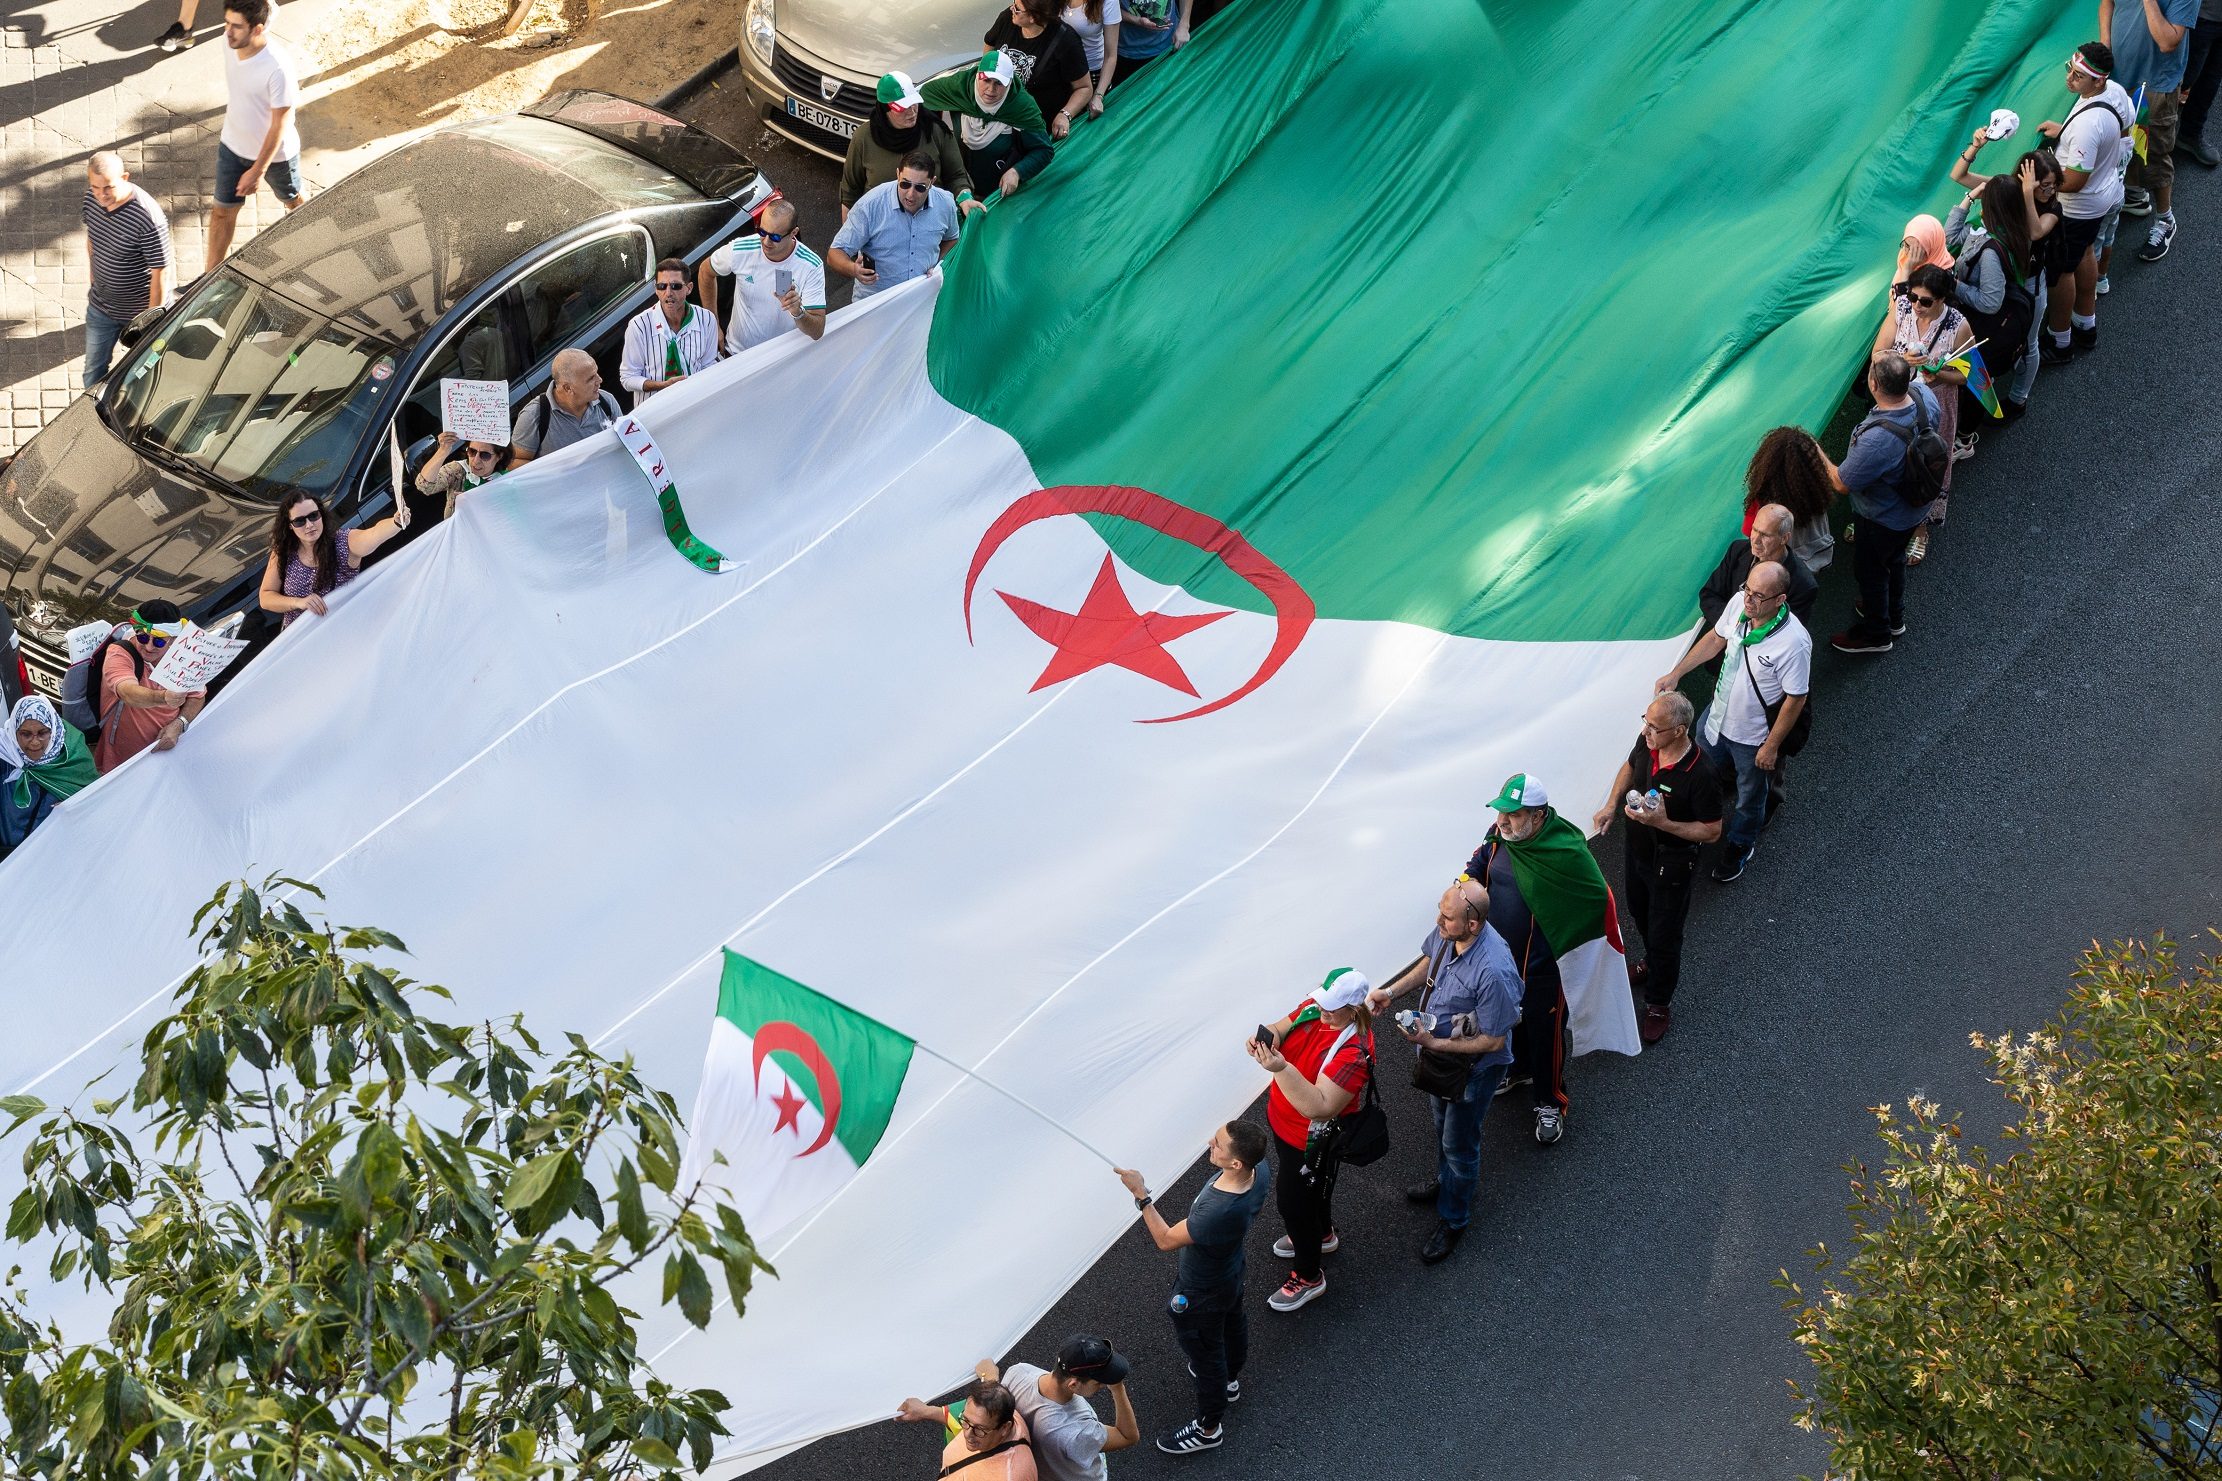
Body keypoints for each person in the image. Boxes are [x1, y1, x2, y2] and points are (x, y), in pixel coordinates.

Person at [1363, 880, 1523, 1262]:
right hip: (1441, 1058)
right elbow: (1429, 963)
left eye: (1447, 917)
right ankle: (1448, 1181)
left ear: (1473, 924)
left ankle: (1454, 1218)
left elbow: (1494, 1042)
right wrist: (1392, 991)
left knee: (1460, 1143)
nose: (1438, 921)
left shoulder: (1494, 971)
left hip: (1471, 1068)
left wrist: (1432, 1044)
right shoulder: (1449, 931)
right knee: (1442, 1127)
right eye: (1440, 910)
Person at [1112, 1121, 1271, 1455]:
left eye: (1219, 1144)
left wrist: (1141, 1196)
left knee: (1206, 1356)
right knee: (1232, 1325)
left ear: (1236, 1163)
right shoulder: (1260, 1172)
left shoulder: (1217, 1212)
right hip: (1229, 1273)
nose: (1210, 1142)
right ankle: (1230, 1380)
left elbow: (1166, 1239)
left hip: (1202, 1290)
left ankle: (1208, 1427)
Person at [1651, 564, 1808, 883]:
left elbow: (1795, 700)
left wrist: (1771, 746)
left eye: (1758, 596)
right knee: (1700, 777)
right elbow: (1716, 639)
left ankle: (1740, 845)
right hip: (1716, 717)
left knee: (1750, 797)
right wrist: (1677, 672)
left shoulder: (1794, 643)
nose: (1748, 600)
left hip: (1753, 738)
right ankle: (1696, 829)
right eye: (1746, 589)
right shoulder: (1741, 604)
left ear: (1779, 600)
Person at [1590, 693, 1724, 1042]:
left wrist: (1664, 824)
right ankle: (1651, 962)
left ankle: (1658, 1003)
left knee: (1666, 933)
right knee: (1638, 910)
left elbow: (1711, 831)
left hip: (1673, 862)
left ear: (1679, 731)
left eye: (1655, 727)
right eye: (1646, 723)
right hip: (1638, 852)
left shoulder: (1702, 773)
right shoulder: (1648, 743)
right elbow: (1630, 767)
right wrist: (1610, 804)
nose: (1646, 732)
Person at [1247, 967, 1375, 1312]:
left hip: (1313, 1142)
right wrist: (1267, 1038)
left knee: (1292, 1203)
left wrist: (1279, 1068)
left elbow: (1319, 1107)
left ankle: (1308, 1276)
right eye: (1321, 1002)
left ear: (1355, 1009)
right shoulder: (1314, 1008)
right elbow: (1279, 1027)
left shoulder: (1354, 1052)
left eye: (1331, 1009)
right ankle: (1321, 1235)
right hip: (1285, 1127)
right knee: (1313, 1193)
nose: (1321, 1012)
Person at [1460, 777, 1579, 1142]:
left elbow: (1587, 904)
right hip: (1502, 963)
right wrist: (1463, 886)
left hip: (1546, 968)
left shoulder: (1564, 850)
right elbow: (1478, 864)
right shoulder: (1499, 836)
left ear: (1537, 816)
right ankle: (1520, 1070)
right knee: (1512, 1021)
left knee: (1546, 1035)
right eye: (1500, 812)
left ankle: (1550, 1102)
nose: (1502, 820)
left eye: (1512, 814)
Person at [1828, 354, 1942, 656]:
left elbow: (1842, 482)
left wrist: (1818, 454)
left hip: (1882, 518)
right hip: (1913, 509)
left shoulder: (1877, 439)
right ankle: (1894, 616)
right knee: (1893, 561)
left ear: (1874, 383)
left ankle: (1877, 633)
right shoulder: (1925, 397)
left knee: (1871, 570)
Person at [2036, 44, 2132, 363]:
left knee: (2061, 271)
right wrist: (2065, 134)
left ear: (2098, 82)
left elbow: (2076, 181)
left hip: (2076, 208)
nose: (2070, 79)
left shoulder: (2087, 126)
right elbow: (2124, 128)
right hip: (2105, 197)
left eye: (2079, 76)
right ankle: (2085, 324)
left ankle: (2060, 340)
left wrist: (2039, 182)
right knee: (2085, 251)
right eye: (2070, 69)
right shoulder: (2116, 93)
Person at [1947, 147, 2061, 416]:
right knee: (2000, 342)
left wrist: (2028, 194)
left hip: (2029, 289)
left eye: (2054, 185)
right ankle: (1990, 387)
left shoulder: (2050, 207)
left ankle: (2018, 399)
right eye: (2044, 186)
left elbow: (2034, 232)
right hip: (2010, 290)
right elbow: (1959, 175)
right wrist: (1977, 145)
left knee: (2027, 343)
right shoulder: (2007, 192)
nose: (2051, 192)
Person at [1872, 262, 1971, 559]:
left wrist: (1936, 372)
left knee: (1927, 466)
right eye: (1913, 297)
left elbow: (1967, 375)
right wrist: (1902, 359)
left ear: (1942, 299)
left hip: (1936, 405)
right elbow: (1878, 353)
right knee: (1890, 458)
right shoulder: (1901, 308)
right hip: (1897, 400)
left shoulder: (1958, 325)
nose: (1916, 305)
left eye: (1925, 301)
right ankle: (1882, 514)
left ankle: (1920, 527)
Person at [206, 0, 304, 272]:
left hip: (276, 157)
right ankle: (207, 278)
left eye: (236, 26)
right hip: (232, 147)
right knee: (221, 213)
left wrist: (258, 170)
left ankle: (312, 246)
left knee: (294, 203)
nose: (228, 31)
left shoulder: (277, 67)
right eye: (227, 23)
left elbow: (280, 123)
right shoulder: (229, 42)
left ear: (258, 29)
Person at [2109, 0, 2200, 260]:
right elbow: (2108, 4)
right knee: (2124, 140)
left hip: (2154, 86)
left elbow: (2167, 41)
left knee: (2155, 153)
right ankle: (2136, 197)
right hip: (2119, 76)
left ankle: (2165, 220)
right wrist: (2106, 43)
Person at [81, 153, 172, 389]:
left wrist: (150, 322)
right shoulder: (93, 198)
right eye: (95, 187)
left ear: (124, 177)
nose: (101, 194)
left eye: (108, 187)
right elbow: (91, 236)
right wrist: (94, 274)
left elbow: (159, 273)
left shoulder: (148, 218)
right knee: (92, 372)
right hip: (101, 307)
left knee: (139, 377)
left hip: (138, 314)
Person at [993, 1337, 1139, 1481]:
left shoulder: (1018, 1372)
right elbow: (1127, 1436)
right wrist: (1118, 1389)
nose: (1103, 1386)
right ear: (1073, 1384)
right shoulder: (1079, 1432)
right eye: (1099, 1383)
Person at [920, 51, 1056, 204]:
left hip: (999, 192)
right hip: (959, 187)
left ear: (1009, 82)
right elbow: (925, 96)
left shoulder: (1021, 106)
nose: (991, 89)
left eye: (998, 83)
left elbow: (1044, 151)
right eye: (986, 80)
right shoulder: (959, 88)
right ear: (977, 76)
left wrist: (1018, 172)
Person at [839, 72, 975, 220]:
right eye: (903, 107)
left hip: (928, 222)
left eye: (913, 103)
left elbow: (956, 176)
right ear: (885, 109)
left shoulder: (936, 131)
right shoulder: (863, 137)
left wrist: (965, 198)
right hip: (879, 225)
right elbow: (850, 194)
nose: (912, 112)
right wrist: (848, 238)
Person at [701, 201, 827, 355]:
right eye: (762, 232)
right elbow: (705, 270)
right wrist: (712, 325)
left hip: (783, 358)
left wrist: (798, 312)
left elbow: (817, 330)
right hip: (738, 354)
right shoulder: (741, 250)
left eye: (775, 237)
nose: (766, 242)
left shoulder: (811, 266)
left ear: (793, 233)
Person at [258, 493, 403, 627]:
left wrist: (395, 522)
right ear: (290, 525)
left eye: (314, 516)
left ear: (321, 515)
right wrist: (299, 602)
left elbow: (373, 534)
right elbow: (266, 597)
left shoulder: (343, 542)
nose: (309, 525)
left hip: (340, 634)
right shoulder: (283, 550)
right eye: (299, 521)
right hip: (298, 639)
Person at [829, 155, 962, 301]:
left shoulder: (945, 204)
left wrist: (938, 265)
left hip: (922, 299)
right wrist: (853, 269)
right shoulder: (870, 206)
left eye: (920, 187)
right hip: (876, 302)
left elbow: (952, 239)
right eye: (905, 184)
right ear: (898, 174)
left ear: (932, 182)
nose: (910, 194)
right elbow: (835, 253)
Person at [94, 602, 205, 774]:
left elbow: (197, 696)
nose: (148, 646)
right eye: (143, 637)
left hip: (166, 754)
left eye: (159, 641)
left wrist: (179, 724)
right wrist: (163, 697)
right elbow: (128, 692)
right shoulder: (120, 653)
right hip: (120, 758)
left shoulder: (185, 656)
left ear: (174, 640)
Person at [0, 695, 97, 858]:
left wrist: (75, 806)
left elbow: (94, 804)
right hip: (6, 856)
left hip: (50, 858)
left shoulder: (72, 759)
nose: (35, 742)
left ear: (53, 730)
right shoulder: (5, 755)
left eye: (42, 733)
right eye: (26, 734)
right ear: (14, 732)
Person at [1698, 503, 1818, 633]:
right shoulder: (1737, 550)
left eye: (1765, 535)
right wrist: (1732, 627)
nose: (1755, 540)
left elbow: (1785, 632)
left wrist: (1739, 630)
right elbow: (1708, 595)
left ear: (1784, 538)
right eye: (1754, 529)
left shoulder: (1803, 585)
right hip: (1724, 633)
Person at [617, 258, 719, 409]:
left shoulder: (707, 319)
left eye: (676, 286)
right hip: (654, 413)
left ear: (689, 288)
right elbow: (628, 378)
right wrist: (662, 385)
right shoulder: (639, 325)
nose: (668, 293)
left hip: (695, 405)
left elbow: (709, 365)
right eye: (662, 286)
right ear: (656, 289)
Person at [895, 1376, 1038, 1481]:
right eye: (965, 1420)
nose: (967, 1434)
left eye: (979, 1429)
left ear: (1005, 1428)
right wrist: (925, 1411)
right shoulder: (1001, 1412)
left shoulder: (1011, 1475)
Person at [987, 0, 1093, 140]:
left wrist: (1065, 115)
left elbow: (1085, 88)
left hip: (1038, 129)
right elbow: (989, 46)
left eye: (1017, 8)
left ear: (1034, 17)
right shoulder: (1007, 18)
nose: (1012, 8)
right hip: (1002, 118)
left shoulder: (1066, 40)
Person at [1739, 426, 1841, 571]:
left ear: (1765, 464)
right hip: (1813, 560)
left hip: (1777, 570)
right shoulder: (1818, 489)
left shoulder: (1764, 501)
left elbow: (1748, 531)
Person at [508, 349, 622, 465]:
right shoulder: (534, 415)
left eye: (596, 373)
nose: (599, 380)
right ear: (567, 388)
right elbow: (515, 462)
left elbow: (626, 440)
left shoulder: (607, 401)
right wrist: (556, 472)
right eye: (590, 379)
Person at [414, 432, 505, 520]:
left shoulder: (507, 481)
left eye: (485, 455)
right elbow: (424, 485)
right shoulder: (458, 470)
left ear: (499, 456)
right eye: (472, 451)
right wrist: (443, 450)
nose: (476, 461)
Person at [2176, 0, 2222, 166]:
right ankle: (2149, 134)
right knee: (2184, 78)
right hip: (2199, 17)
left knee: (2211, 81)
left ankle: (2190, 133)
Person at [1113, 0, 1192, 91]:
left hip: (1171, 44)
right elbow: (1104, 9)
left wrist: (1184, 25)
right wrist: (1137, 21)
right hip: (1128, 52)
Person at [1063, 0, 1122, 118]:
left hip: (1092, 76)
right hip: (1061, 72)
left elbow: (1111, 56)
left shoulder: (1108, 2)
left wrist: (1098, 95)